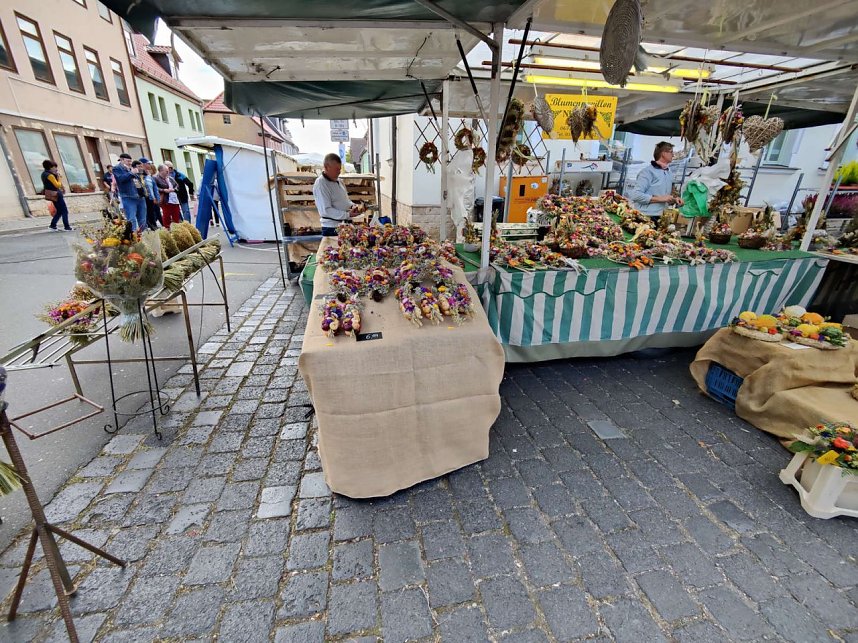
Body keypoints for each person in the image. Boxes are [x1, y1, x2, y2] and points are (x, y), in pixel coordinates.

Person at [630, 141, 684, 219]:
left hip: (661, 215)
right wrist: (660, 199)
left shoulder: (669, 172)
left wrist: (675, 199)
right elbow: (636, 195)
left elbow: (666, 197)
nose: (673, 155)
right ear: (663, 153)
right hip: (645, 216)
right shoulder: (647, 172)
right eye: (671, 152)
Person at [312, 153, 363, 236]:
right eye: (337, 169)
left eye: (339, 169)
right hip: (332, 228)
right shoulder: (321, 184)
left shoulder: (339, 181)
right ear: (327, 167)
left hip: (345, 225)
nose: (339, 172)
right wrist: (348, 214)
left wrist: (353, 206)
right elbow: (326, 210)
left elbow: (346, 200)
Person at [111, 153, 147, 231]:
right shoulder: (117, 168)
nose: (130, 163)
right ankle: (134, 237)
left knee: (143, 219)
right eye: (128, 161)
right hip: (129, 197)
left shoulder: (131, 168)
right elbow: (121, 179)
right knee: (131, 219)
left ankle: (144, 236)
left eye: (131, 161)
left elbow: (139, 181)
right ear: (122, 160)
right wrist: (131, 173)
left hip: (140, 196)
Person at [41, 160, 72, 231]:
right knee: (64, 211)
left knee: (59, 211)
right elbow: (57, 185)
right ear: (50, 167)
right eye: (54, 167)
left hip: (51, 193)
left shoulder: (43, 174)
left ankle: (53, 225)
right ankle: (67, 227)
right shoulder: (50, 175)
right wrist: (59, 178)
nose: (56, 169)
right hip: (56, 194)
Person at [154, 164, 182, 229]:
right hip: (165, 199)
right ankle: (167, 229)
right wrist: (163, 190)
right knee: (166, 215)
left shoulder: (170, 178)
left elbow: (177, 186)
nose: (168, 172)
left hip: (174, 200)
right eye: (166, 171)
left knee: (176, 215)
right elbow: (155, 188)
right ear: (161, 171)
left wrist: (174, 189)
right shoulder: (156, 178)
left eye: (168, 171)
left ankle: (176, 229)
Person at [139, 158, 162, 230]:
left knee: (153, 213)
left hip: (151, 198)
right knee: (148, 214)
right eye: (148, 163)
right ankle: (151, 228)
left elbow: (154, 186)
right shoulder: (140, 174)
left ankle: (154, 227)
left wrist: (156, 197)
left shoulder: (148, 174)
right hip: (145, 198)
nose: (150, 165)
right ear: (143, 164)